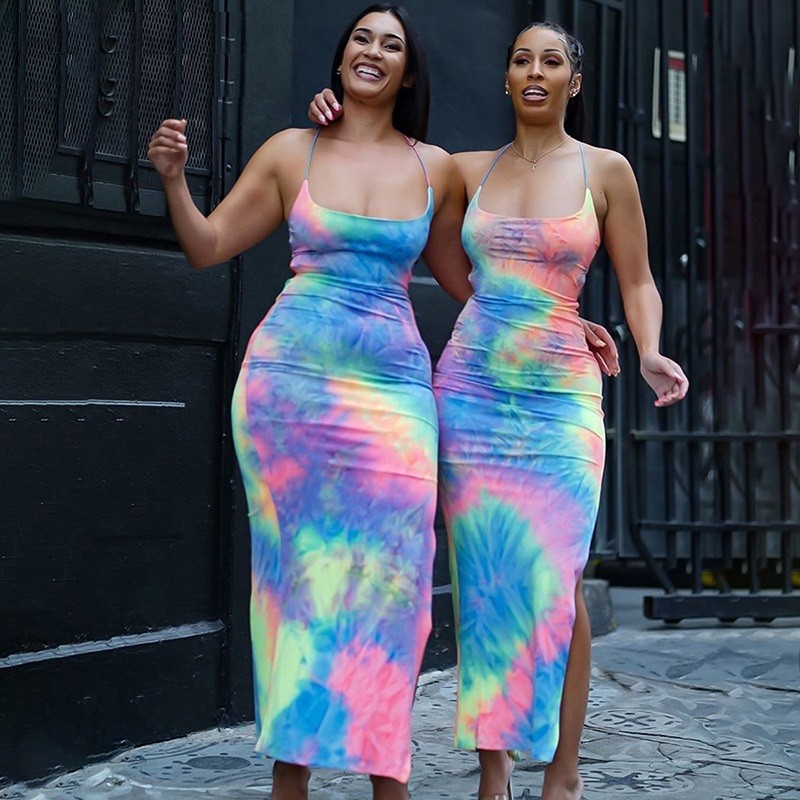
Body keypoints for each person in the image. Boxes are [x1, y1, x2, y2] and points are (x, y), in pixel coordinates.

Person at [308, 18, 688, 800]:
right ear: (507, 79)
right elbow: (405, 198)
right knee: (484, 586)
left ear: (573, 83)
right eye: (522, 60)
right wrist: (335, 113)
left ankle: (563, 771)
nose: (535, 72)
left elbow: (639, 279)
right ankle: (494, 773)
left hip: (561, 399)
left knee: (555, 580)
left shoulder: (607, 170)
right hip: (472, 392)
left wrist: (648, 349)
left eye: (551, 61)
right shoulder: (464, 170)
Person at [148, 5, 476, 799]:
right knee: (294, 583)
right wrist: (173, 178)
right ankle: (289, 779)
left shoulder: (436, 168)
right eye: (362, 38)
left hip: (394, 394)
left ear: (408, 71)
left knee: (395, 586)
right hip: (289, 393)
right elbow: (208, 246)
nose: (373, 51)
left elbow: (469, 280)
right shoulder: (291, 151)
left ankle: (387, 777)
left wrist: (556, 320)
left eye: (391, 45)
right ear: (339, 58)